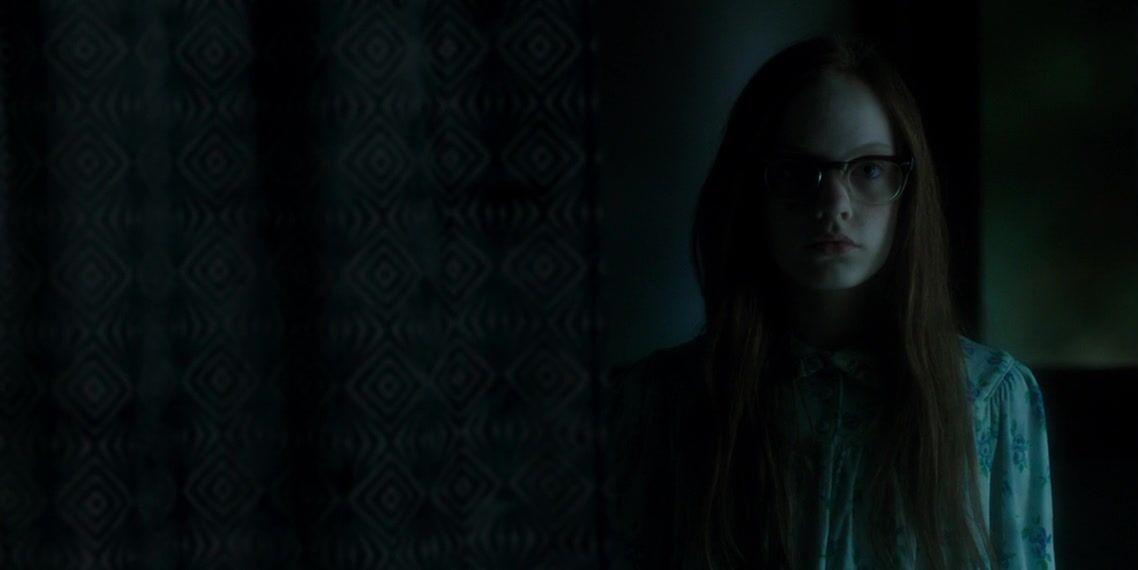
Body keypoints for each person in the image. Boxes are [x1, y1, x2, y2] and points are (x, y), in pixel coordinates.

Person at [602, 34, 1055, 569]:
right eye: (797, 172)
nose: (834, 203)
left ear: (907, 189)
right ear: (752, 189)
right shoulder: (661, 403)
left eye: (868, 169)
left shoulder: (988, 398)